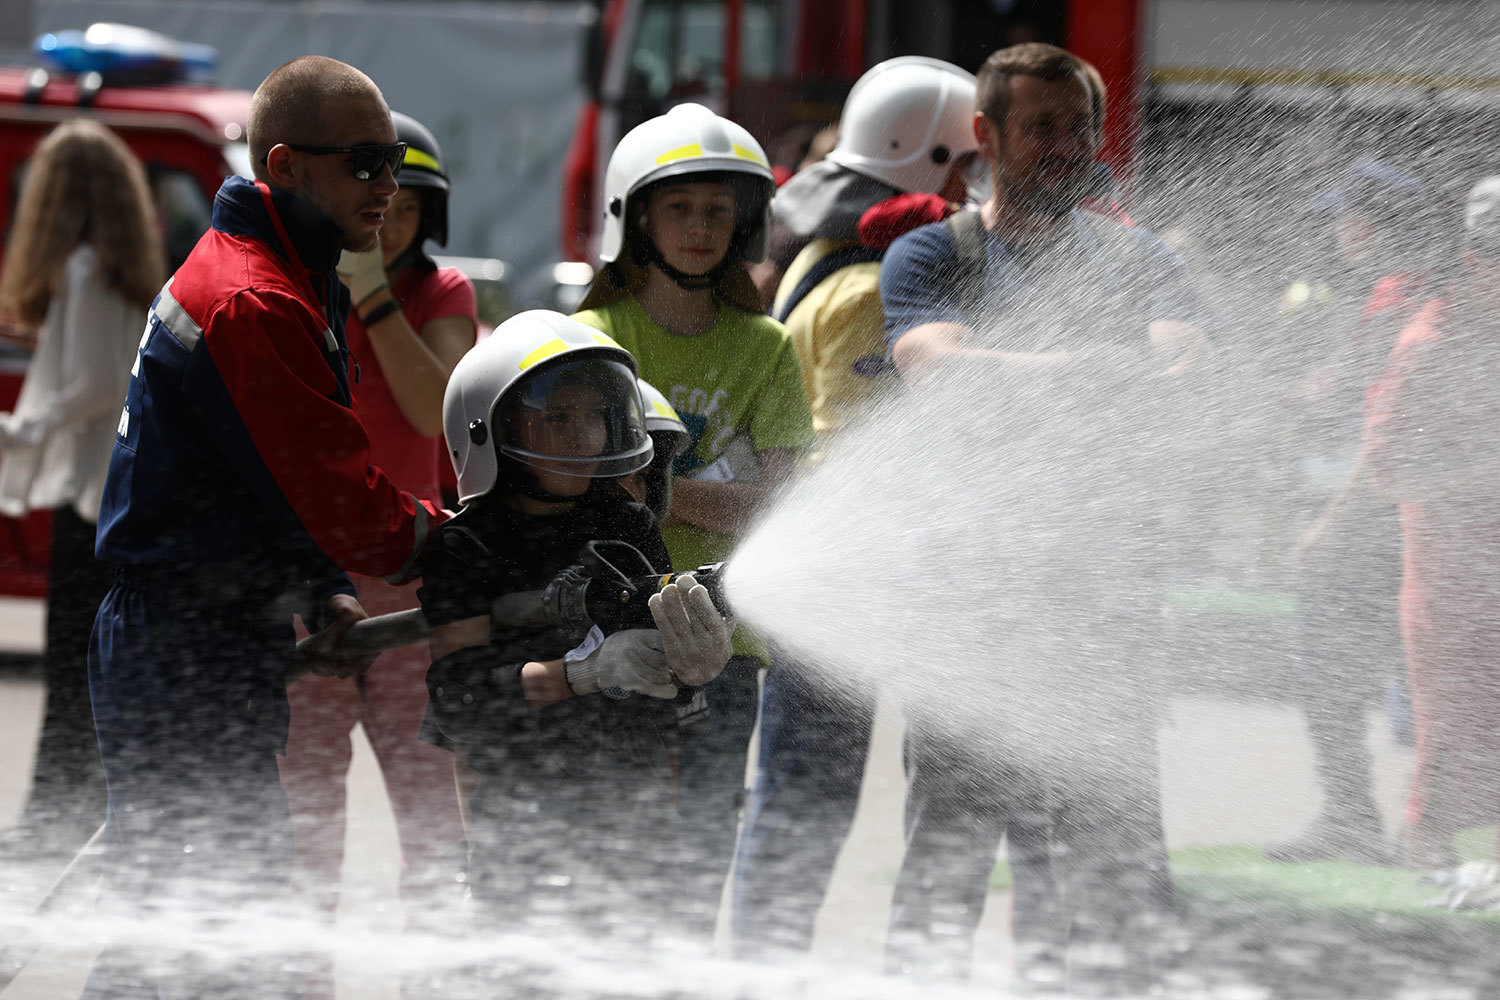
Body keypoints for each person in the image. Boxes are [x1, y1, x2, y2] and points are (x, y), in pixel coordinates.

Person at [85, 56, 445, 998]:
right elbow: (347, 506)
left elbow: (261, 480)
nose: (389, 185)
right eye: (366, 161)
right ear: (287, 166)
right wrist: (470, 542)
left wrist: (315, 587)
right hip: (181, 643)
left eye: (396, 163)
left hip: (204, 630)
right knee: (175, 927)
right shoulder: (256, 297)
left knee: (198, 917)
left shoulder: (286, 269)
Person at [877, 42, 1206, 991]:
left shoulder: (1140, 257)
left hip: (1105, 617)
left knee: (1116, 866)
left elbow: (1188, 385)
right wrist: (1108, 374)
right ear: (985, 136)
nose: (1068, 145)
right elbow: (941, 378)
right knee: (948, 862)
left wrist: (1022, 381)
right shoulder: (934, 252)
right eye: (1042, 127)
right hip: (969, 619)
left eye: (1080, 126)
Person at [730, 55, 982, 961]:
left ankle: (765, 962)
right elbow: (857, 453)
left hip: (827, 574)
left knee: (798, 793)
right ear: (941, 160)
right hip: (869, 578)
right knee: (837, 796)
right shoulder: (876, 287)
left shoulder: (816, 252)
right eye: (968, 167)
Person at [417, 310, 732, 979]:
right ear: (489, 427)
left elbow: (659, 679)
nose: (584, 436)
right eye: (558, 418)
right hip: (517, 829)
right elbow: (462, 702)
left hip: (635, 823)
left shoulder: (627, 523)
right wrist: (581, 674)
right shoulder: (465, 548)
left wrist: (693, 666)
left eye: (594, 416)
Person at [571, 102, 817, 938]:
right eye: (680, 206)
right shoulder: (589, 337)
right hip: (603, 641)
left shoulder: (769, 348)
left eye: (720, 209)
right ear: (635, 216)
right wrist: (717, 493)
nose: (701, 227)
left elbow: (780, 514)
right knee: (607, 864)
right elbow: (571, 496)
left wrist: (657, 493)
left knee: (697, 867)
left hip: (724, 648)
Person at [274, 110, 474, 988]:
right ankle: (301, 974)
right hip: (310, 583)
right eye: (368, 198)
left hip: (412, 584)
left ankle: (425, 976)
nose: (382, 218)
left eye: (402, 206)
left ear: (426, 217)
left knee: (431, 808)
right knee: (301, 810)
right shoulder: (290, 287)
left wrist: (375, 299)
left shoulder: (444, 294)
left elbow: (440, 414)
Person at [0, 120, 164, 861]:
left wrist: (25, 428)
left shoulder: (85, 269)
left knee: (72, 666)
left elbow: (90, 385)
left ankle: (53, 819)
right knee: (89, 670)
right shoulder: (125, 273)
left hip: (90, 502)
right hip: (119, 496)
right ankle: (64, 814)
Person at [1272, 158, 1439, 865]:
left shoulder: (1397, 299)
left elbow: (1387, 434)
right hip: (1415, 518)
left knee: (1330, 667)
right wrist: (1306, 395)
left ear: (1370, 224)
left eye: (1344, 214)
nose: (1336, 227)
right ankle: (1403, 823)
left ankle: (1359, 817)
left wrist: (1328, 525)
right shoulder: (1419, 292)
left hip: (1379, 520)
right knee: (1421, 670)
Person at [1364, 175, 1500, 870]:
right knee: (1446, 758)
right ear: (1476, 260)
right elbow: (1385, 470)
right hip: (1455, 594)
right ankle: (1425, 921)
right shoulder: (1429, 344)